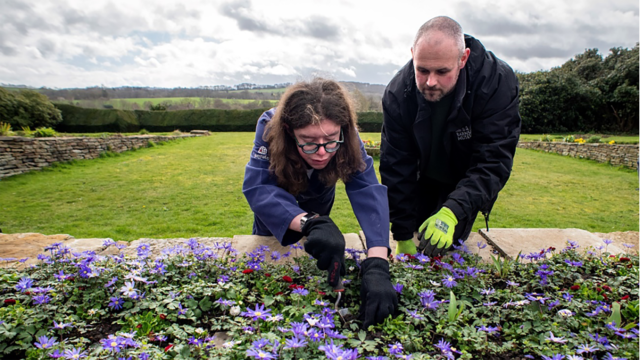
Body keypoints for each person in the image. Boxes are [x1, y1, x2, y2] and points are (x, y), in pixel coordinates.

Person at [243, 78, 397, 328]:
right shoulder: (269, 127)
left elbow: (366, 188)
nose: (323, 152)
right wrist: (307, 223)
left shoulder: (347, 134)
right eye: (309, 142)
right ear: (288, 130)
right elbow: (259, 186)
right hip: (277, 208)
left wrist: (378, 262)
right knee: (270, 262)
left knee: (322, 249)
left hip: (318, 197)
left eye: (330, 141)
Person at [380, 16, 521, 257]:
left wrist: (452, 211)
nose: (430, 82)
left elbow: (493, 161)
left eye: (442, 71)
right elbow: (396, 165)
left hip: (463, 177)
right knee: (417, 237)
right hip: (422, 176)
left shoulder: (496, 82)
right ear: (413, 54)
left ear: (463, 58)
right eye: (422, 70)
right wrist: (402, 234)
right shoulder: (397, 93)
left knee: (444, 247)